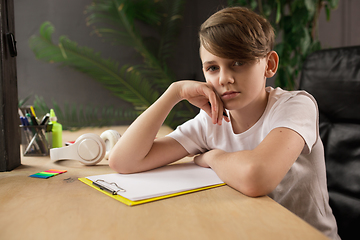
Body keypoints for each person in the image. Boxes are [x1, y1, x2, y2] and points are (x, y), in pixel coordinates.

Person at [109, 6, 340, 240]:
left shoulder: (295, 106)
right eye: (212, 68)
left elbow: (256, 178)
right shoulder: (211, 121)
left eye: (238, 62)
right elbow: (124, 161)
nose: (224, 79)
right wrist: (174, 92)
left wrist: (211, 156)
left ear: (269, 64)